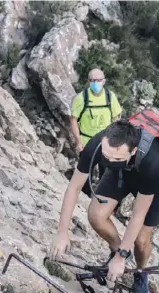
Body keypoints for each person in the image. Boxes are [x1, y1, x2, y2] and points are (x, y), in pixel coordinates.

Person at [50, 119, 159, 293]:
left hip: (146, 181)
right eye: (106, 156)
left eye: (116, 158)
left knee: (141, 241)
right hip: (120, 175)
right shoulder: (98, 145)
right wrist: (62, 233)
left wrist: (122, 256)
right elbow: (74, 187)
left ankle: (141, 272)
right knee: (96, 215)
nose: (109, 160)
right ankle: (116, 250)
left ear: (133, 151)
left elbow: (138, 215)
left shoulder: (153, 163)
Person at [70, 68, 123, 197]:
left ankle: (101, 198)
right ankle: (85, 197)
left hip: (106, 143)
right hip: (87, 143)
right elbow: (73, 120)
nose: (96, 83)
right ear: (88, 81)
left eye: (99, 80)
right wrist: (78, 142)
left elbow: (117, 117)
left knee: (106, 174)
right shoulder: (81, 98)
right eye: (93, 80)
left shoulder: (110, 96)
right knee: (85, 172)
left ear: (104, 81)